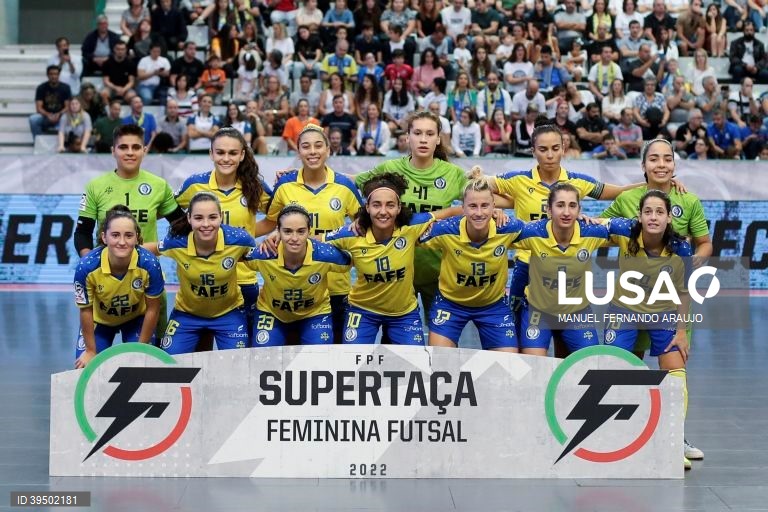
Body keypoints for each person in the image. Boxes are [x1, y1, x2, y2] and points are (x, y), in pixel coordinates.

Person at [600, 138, 711, 465]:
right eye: (654, 159)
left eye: (667, 159)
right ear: (644, 165)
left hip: (669, 304)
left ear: (674, 165)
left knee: (674, 365)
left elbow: (704, 243)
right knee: (624, 366)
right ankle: (628, 434)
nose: (661, 164)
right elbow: (602, 228)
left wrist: (691, 264)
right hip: (628, 304)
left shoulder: (688, 201)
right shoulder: (626, 198)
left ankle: (674, 436)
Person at [353, 111, 469, 326]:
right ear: (407, 137)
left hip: (437, 270)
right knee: (397, 345)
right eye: (417, 133)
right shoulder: (390, 169)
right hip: (395, 273)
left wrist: (495, 210)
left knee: (439, 344)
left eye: (429, 134)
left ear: (438, 139)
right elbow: (352, 184)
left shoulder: (453, 174)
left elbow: (480, 203)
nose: (423, 139)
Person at [605, 190, 692, 469]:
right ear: (639, 216)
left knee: (676, 374)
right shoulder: (624, 231)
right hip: (623, 310)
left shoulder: (681, 248)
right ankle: (618, 436)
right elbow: (591, 224)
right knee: (613, 369)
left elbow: (684, 292)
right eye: (648, 212)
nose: (653, 217)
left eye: (659, 212)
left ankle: (673, 439)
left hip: (663, 313)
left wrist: (681, 331)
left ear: (669, 218)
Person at [325, 173, 451, 345]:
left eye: (390, 205)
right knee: (352, 362)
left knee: (415, 366)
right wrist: (281, 233)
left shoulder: (411, 226)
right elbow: (312, 240)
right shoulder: (352, 233)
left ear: (399, 208)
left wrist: (493, 211)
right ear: (367, 207)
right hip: (363, 310)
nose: (383, 211)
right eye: (376, 205)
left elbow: (454, 211)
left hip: (404, 313)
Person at [268, 124, 363, 343]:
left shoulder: (344, 185)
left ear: (328, 150)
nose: (312, 151)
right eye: (306, 146)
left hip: (336, 284)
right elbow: (272, 222)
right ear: (298, 151)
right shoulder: (284, 184)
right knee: (291, 357)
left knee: (335, 355)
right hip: (295, 287)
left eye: (318, 146)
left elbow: (363, 227)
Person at [175, 127, 273, 332]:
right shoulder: (195, 185)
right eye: (220, 152)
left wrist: (245, 235)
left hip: (243, 277)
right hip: (204, 280)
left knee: (243, 352)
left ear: (242, 155)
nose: (226, 158)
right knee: (201, 351)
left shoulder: (254, 186)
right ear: (211, 153)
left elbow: (277, 218)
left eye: (232, 153)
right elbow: (173, 214)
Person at [420, 178, 522, 352]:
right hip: (450, 305)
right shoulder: (444, 230)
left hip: (493, 306)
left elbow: (548, 229)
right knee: (440, 362)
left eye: (485, 206)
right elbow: (405, 232)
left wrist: (580, 220)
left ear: (494, 207)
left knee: (508, 370)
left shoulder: (508, 228)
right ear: (463, 208)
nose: (479, 213)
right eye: (473, 206)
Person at [151, 192, 256, 354]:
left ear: (221, 217)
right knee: (170, 365)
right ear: (189, 219)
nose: (206, 224)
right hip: (187, 315)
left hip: (229, 314)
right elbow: (151, 249)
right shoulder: (176, 242)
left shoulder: (239, 240)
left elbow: (265, 255)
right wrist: (114, 249)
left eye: (212, 217)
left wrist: (277, 235)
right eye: (199, 218)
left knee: (238, 366)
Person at [246, 205, 351, 346]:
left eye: (301, 231)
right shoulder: (263, 254)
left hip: (315, 314)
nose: (294, 238)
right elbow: (235, 253)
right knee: (263, 358)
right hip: (271, 313)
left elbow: (356, 258)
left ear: (309, 231)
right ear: (278, 231)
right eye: (287, 231)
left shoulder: (326, 255)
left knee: (318, 360)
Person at [73, 205, 164, 368]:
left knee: (141, 366)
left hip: (136, 319)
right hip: (99, 321)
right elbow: (85, 309)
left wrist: (141, 349)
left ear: (136, 238)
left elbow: (153, 309)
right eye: (115, 235)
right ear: (104, 237)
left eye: (128, 235)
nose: (122, 242)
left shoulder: (150, 264)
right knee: (85, 367)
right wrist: (90, 350)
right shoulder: (86, 267)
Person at [29, 66, 71, 139]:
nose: (53, 76)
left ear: (59, 75)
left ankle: (64, 144)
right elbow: (38, 108)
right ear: (47, 75)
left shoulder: (65, 88)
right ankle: (38, 143)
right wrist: (48, 115)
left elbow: (67, 107)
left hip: (61, 116)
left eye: (56, 74)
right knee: (33, 119)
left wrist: (59, 114)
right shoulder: (41, 88)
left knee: (68, 118)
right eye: (51, 74)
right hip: (46, 116)